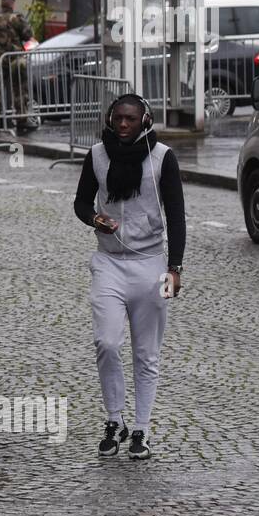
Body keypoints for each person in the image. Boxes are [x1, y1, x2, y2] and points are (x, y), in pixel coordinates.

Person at [73, 94, 185, 461]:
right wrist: (94, 219)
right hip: (108, 263)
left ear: (145, 121)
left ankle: (141, 428)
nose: (123, 125)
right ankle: (114, 419)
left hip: (151, 265)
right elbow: (81, 202)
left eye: (131, 119)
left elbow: (177, 216)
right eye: (118, 118)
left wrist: (175, 269)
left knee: (146, 354)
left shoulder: (163, 158)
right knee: (106, 343)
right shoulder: (97, 155)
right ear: (110, 119)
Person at [0, 0, 36, 133]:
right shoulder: (16, 18)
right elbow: (27, 34)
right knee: (20, 89)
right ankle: (22, 119)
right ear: (13, 3)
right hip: (14, 59)